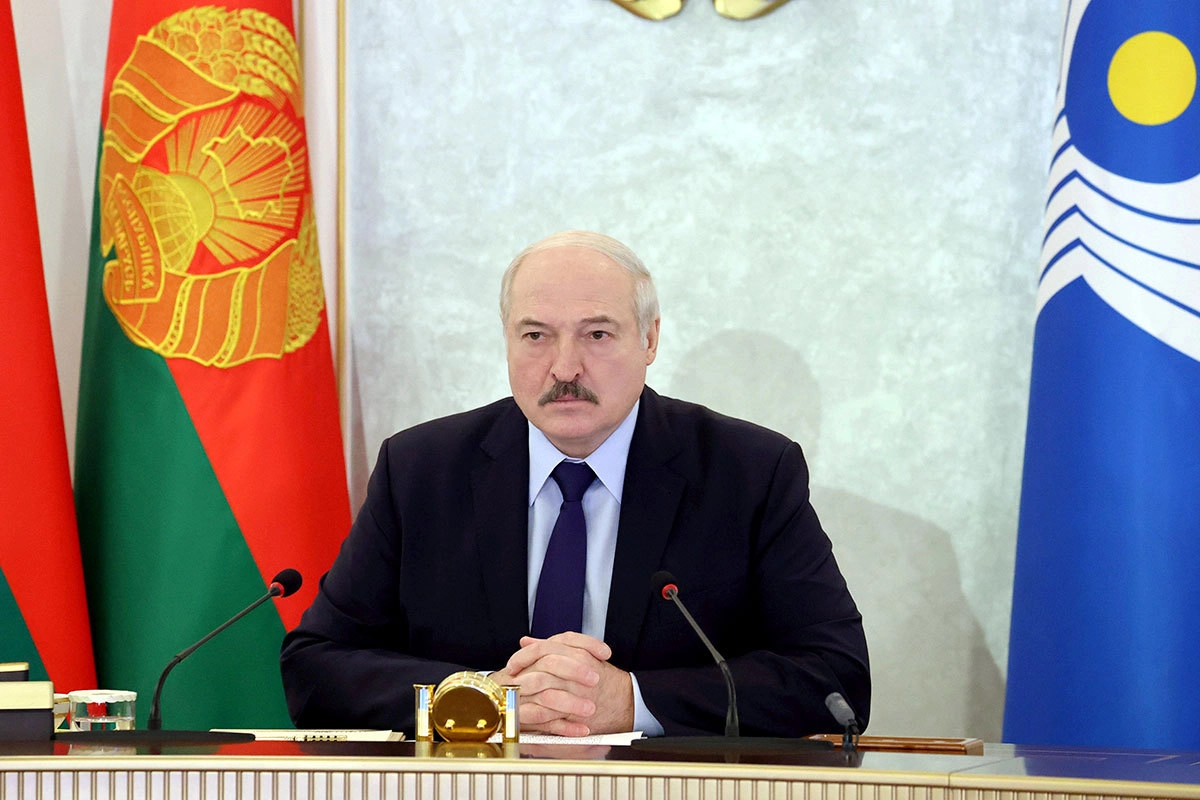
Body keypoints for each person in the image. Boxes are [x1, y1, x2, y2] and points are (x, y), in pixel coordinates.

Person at [280, 230, 870, 737]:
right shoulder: (421, 469)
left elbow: (835, 678)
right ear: (507, 339)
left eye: (597, 334)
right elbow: (316, 666)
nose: (564, 368)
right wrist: (484, 698)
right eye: (536, 335)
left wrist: (631, 702)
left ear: (650, 339)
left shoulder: (749, 472)